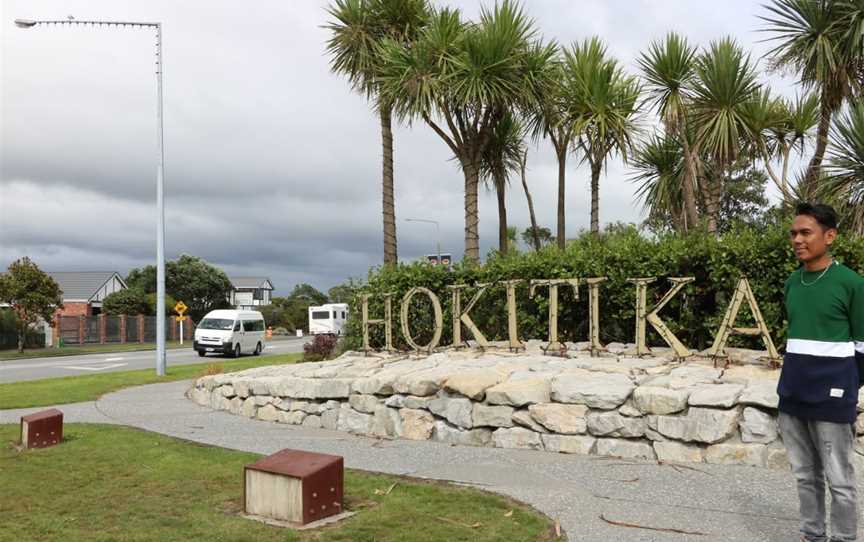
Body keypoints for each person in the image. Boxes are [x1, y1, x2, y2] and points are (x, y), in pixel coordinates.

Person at [777, 202, 864, 542]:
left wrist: (845, 387)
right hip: (793, 395)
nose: (797, 239)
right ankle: (812, 534)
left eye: (805, 233)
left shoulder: (852, 284)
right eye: (794, 233)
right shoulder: (792, 283)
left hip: (832, 397)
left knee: (839, 478)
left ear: (830, 236)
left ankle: (843, 538)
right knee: (804, 475)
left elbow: (862, 346)